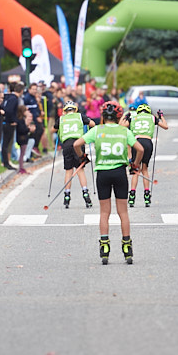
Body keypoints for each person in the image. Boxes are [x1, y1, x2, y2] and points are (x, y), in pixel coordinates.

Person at [73, 102, 143, 264]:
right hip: (119, 172)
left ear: (103, 116)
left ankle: (104, 246)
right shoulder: (124, 131)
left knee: (104, 213)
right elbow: (140, 149)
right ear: (119, 116)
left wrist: (82, 157)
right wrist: (135, 164)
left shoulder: (97, 130)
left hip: (102, 173)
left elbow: (77, 144)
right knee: (123, 212)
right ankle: (127, 246)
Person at [124, 103, 168, 207]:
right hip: (148, 143)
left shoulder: (134, 117)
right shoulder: (152, 118)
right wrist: (161, 116)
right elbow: (165, 126)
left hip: (137, 142)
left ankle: (132, 195)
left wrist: (126, 117)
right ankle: (147, 194)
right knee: (144, 169)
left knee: (135, 170)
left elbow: (122, 127)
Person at [56, 100, 93, 208]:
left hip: (67, 145)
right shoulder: (79, 116)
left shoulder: (61, 119)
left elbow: (54, 128)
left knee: (68, 171)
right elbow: (93, 124)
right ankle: (85, 193)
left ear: (65, 111)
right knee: (80, 169)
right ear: (75, 109)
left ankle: (67, 195)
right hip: (78, 144)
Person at [1, 82, 22, 169]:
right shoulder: (14, 99)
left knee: (7, 144)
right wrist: (13, 120)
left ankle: (7, 161)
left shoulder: (8, 97)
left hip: (5, 122)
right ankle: (6, 162)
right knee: (6, 144)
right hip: (8, 123)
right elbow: (9, 110)